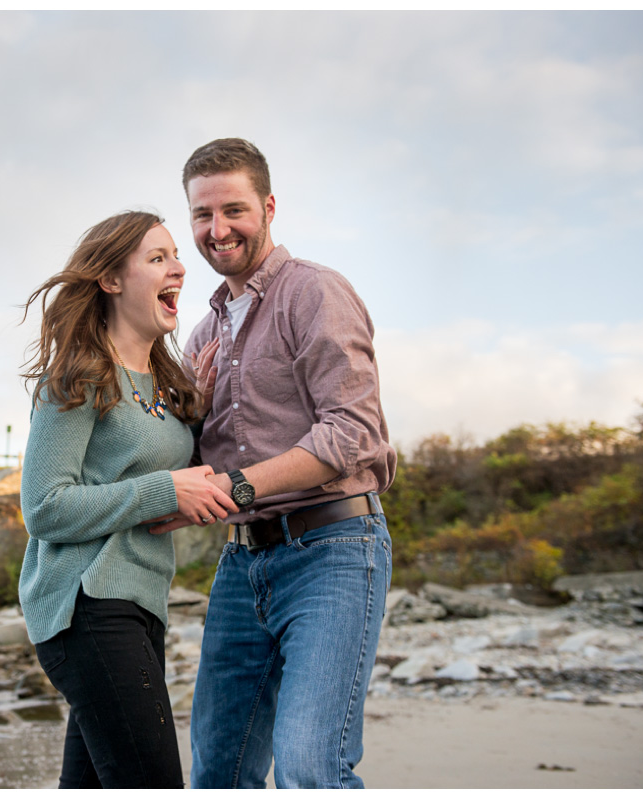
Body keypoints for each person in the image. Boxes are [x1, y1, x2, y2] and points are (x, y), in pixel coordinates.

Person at [159, 138, 398, 788]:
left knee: (309, 767)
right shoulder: (202, 336)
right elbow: (193, 465)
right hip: (241, 568)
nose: (218, 230)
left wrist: (237, 487)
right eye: (201, 216)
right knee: (217, 772)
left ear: (267, 206)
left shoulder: (313, 292)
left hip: (335, 550)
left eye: (233, 210)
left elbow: (352, 433)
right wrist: (193, 412)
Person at [17, 209, 237, 789]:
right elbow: (43, 506)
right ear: (111, 280)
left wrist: (201, 408)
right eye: (158, 258)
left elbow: (169, 491)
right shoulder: (78, 376)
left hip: (140, 605)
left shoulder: (166, 389)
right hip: (88, 606)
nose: (180, 269)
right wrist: (165, 487)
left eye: (176, 257)